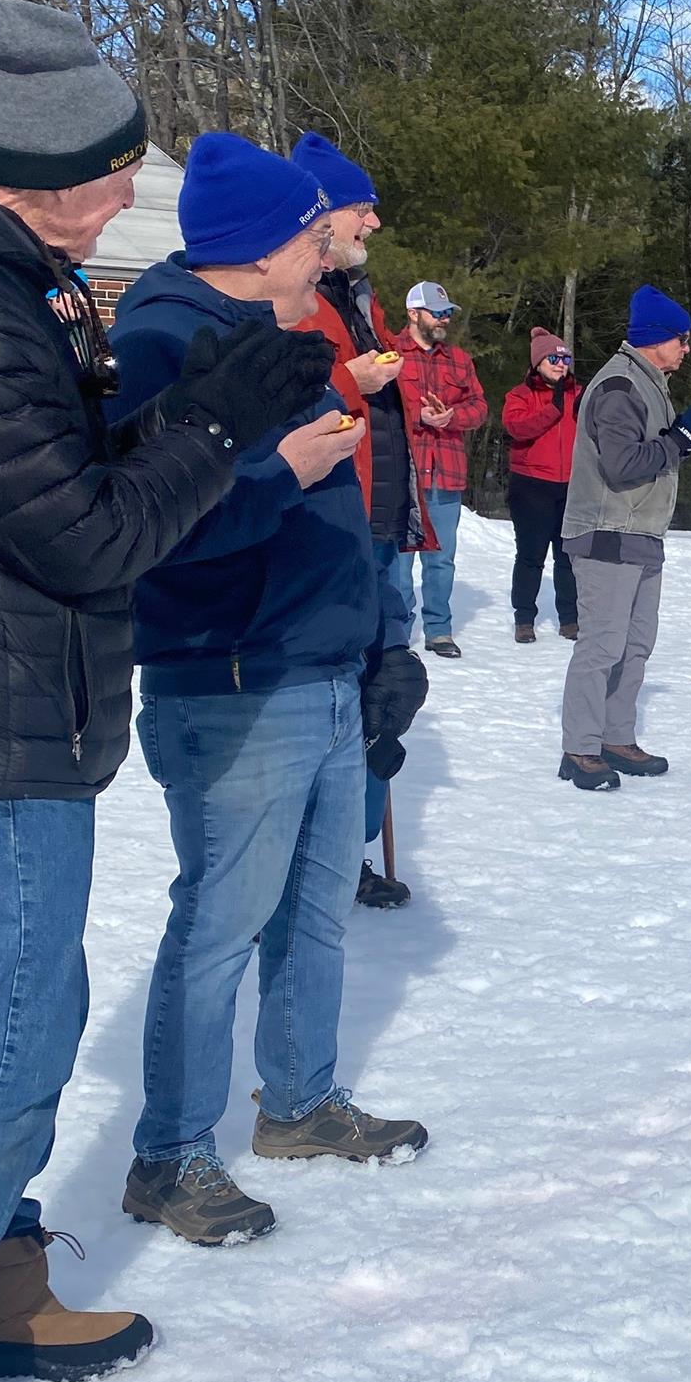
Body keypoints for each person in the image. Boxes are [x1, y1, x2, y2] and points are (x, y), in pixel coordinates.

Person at [0, 2, 329, 1382]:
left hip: (30, 699)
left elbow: (72, 469)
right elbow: (89, 538)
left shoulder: (19, 275)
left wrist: (198, 407)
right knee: (17, 1031)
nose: (130, 198)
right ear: (48, 178)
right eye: (115, 177)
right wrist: (215, 431)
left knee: (33, 1017)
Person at [111, 132, 428, 1252]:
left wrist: (380, 645)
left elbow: (335, 517)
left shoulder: (278, 333)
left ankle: (298, 1101)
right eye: (311, 236)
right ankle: (170, 1154)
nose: (329, 252)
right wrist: (279, 474)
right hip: (233, 679)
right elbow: (148, 529)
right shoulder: (163, 341)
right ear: (257, 247)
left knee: (314, 914)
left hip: (319, 661)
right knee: (220, 926)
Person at [289, 132, 430, 910]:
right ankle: (313, 862)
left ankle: (346, 852)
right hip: (338, 527)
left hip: (380, 526)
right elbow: (292, 407)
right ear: (321, 212)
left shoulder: (357, 295)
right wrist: (353, 378)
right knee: (343, 699)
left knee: (385, 696)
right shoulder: (297, 298)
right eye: (361, 208)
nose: (374, 222)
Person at [558, 284, 691, 790]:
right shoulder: (620, 386)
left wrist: (676, 443)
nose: (687, 348)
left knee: (636, 644)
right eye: (682, 339)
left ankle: (615, 737)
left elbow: (648, 455)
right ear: (656, 338)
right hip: (608, 533)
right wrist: (678, 442)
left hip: (640, 534)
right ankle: (580, 749)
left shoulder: (648, 383)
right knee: (602, 645)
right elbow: (622, 465)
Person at [394, 280, 488, 656]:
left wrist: (452, 416)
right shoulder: (389, 353)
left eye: (447, 313)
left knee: (441, 559)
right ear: (413, 313)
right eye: (436, 313)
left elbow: (479, 407)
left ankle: (439, 630)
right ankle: (397, 634)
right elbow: (377, 405)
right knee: (399, 560)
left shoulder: (459, 359)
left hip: (446, 473)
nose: (444, 319)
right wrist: (418, 415)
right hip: (403, 473)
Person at [502, 327, 582, 644]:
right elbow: (517, 427)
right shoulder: (520, 395)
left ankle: (570, 619)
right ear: (538, 362)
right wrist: (553, 409)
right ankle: (524, 618)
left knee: (568, 557)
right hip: (531, 486)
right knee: (531, 556)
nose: (561, 365)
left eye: (566, 359)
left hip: (572, 485)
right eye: (554, 359)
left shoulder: (579, 394)